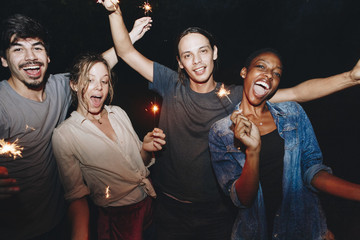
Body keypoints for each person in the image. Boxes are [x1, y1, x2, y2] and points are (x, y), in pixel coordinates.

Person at [99, 1, 360, 239]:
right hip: (170, 209)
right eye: (187, 55)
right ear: (179, 62)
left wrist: (351, 77)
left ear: (214, 52)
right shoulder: (169, 83)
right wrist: (115, 11)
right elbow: (125, 51)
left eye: (202, 51)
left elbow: (299, 93)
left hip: (219, 213)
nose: (197, 61)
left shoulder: (235, 95)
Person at [0, 12, 151, 239]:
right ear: (3, 59)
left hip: (58, 219)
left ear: (48, 56)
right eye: (18, 48)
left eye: (37, 48)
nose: (31, 57)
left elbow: (95, 69)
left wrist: (130, 37)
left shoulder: (58, 87)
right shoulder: (3, 104)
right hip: (15, 229)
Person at [209, 48, 360, 240]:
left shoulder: (293, 113)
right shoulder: (221, 132)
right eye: (261, 66)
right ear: (244, 72)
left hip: (304, 228)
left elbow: (312, 171)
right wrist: (253, 151)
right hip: (255, 233)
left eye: (276, 73)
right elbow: (243, 200)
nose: (269, 75)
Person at [51, 53, 166, 240]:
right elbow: (76, 196)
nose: (99, 87)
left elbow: (141, 162)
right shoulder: (64, 134)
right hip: (118, 218)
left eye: (104, 81)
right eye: (89, 80)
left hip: (149, 204)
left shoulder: (118, 113)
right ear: (73, 84)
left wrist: (145, 149)